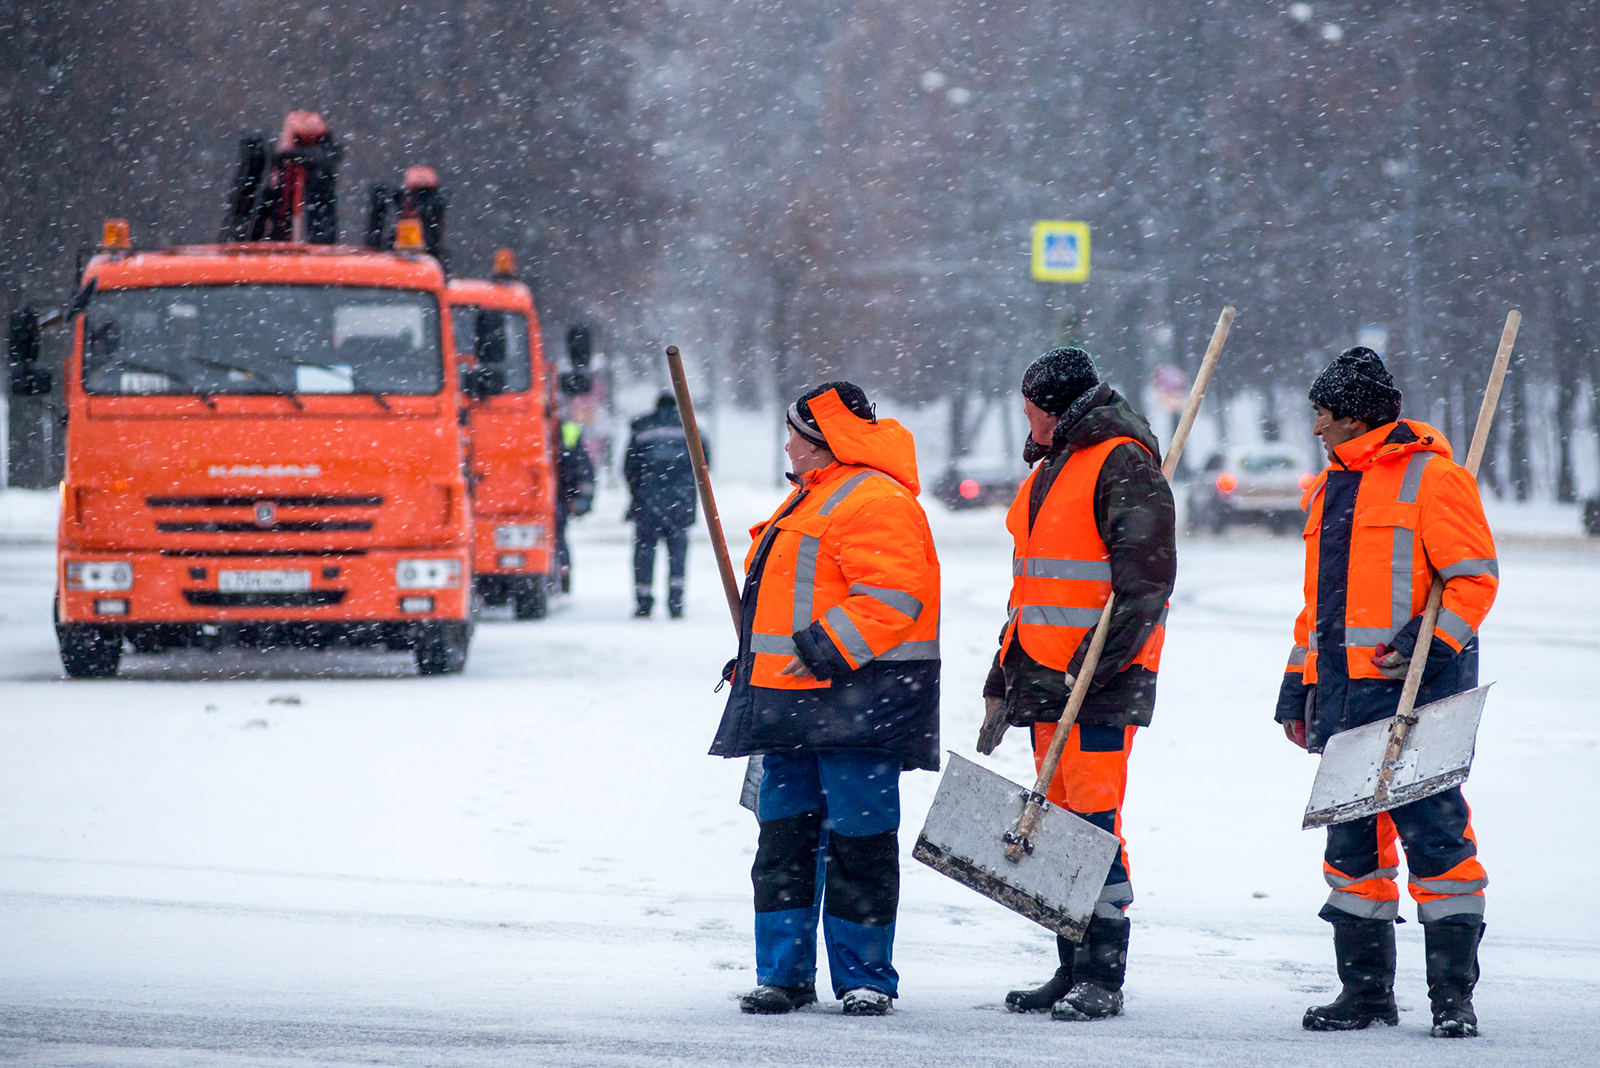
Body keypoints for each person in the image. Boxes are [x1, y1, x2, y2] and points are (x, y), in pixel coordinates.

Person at [1277, 347, 1497, 1038]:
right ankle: (1366, 992)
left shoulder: (1434, 479)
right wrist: (1296, 684)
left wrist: (1419, 647)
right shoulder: (1328, 489)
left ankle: (1452, 997)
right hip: (1344, 697)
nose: (1315, 429)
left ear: (1352, 416)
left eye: (1321, 415)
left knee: (1435, 838)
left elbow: (1473, 580)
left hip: (1420, 694)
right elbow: (1318, 608)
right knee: (1353, 848)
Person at [709, 382, 940, 1017]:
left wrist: (816, 652)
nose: (787, 444)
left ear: (821, 439)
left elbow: (892, 598)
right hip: (790, 707)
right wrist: (758, 660)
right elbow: (793, 599)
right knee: (782, 845)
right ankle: (781, 975)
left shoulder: (873, 501)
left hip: (856, 708)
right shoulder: (811, 498)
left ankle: (865, 979)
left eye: (795, 433)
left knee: (859, 846)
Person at [977, 346, 1175, 1022]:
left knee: (1093, 825)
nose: (1023, 418)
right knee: (1059, 827)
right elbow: (1029, 595)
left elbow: (1144, 586)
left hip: (1096, 685)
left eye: (1030, 406)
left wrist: (1097, 663)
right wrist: (1003, 676)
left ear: (1054, 408)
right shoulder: (1048, 474)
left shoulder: (1122, 463)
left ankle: (1102, 975)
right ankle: (1068, 970)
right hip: (1044, 682)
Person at [623, 393, 701, 617]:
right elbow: (704, 464)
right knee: (678, 555)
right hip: (680, 505)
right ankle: (676, 602)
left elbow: (628, 468)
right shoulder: (689, 427)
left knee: (644, 554)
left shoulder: (642, 428)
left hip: (647, 505)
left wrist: (640, 491)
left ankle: (643, 602)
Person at [554, 418, 595, 594]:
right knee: (559, 538)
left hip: (557, 496)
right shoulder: (568, 430)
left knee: (558, 538)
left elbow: (580, 465)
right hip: (560, 496)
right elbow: (582, 466)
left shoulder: (566, 431)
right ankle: (563, 576)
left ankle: (562, 576)